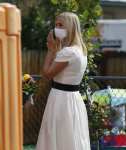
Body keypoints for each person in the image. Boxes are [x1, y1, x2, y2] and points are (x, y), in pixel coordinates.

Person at [36, 12, 91, 150]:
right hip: (73, 99)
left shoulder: (68, 52)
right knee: (71, 135)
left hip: (61, 99)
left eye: (61, 25)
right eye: (56, 25)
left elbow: (47, 74)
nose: (57, 28)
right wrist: (57, 50)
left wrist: (50, 50)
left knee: (58, 135)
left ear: (70, 27)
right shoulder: (80, 51)